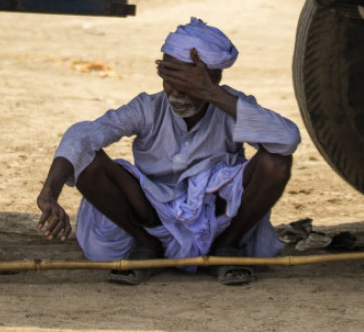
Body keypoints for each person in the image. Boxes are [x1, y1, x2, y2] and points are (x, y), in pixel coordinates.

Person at [36, 18, 301, 285]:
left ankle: (226, 247)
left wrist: (212, 94)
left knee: (275, 162)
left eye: (185, 83)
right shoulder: (147, 108)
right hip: (149, 214)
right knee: (89, 163)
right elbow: (82, 135)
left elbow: (287, 139)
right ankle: (146, 245)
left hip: (218, 214)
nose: (175, 92)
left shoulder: (231, 105)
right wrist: (50, 192)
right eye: (168, 80)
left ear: (214, 78)